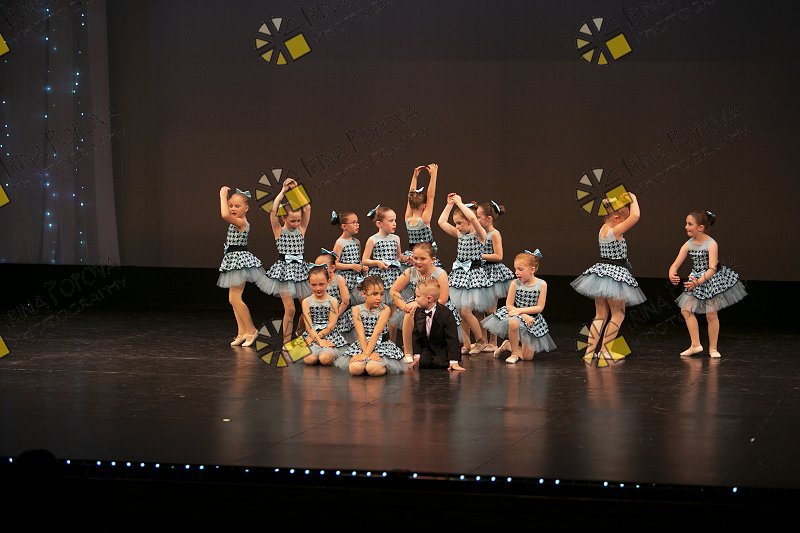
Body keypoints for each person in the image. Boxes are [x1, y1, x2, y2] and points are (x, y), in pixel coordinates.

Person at [571, 193, 645, 361]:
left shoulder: (603, 229)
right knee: (618, 314)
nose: (625, 222)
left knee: (600, 315)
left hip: (601, 273)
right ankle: (605, 351)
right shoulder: (615, 231)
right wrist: (633, 198)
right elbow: (636, 216)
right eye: (624, 218)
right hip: (615, 275)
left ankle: (590, 352)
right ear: (616, 218)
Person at [668, 210, 747, 358]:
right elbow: (675, 263)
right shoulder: (688, 244)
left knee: (711, 314)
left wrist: (698, 282)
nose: (686, 227)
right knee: (686, 310)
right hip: (696, 279)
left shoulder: (711, 244)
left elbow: (712, 268)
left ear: (700, 228)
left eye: (689, 224)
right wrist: (672, 272)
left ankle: (713, 348)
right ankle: (695, 344)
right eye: (686, 223)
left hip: (711, 279)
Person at [438, 193, 495, 354]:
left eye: (459, 223)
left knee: (466, 311)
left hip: (473, 276)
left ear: (469, 222)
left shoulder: (480, 234)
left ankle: (481, 341)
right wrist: (449, 205)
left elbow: (473, 218)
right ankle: (466, 344)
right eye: (455, 223)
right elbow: (441, 222)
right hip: (460, 275)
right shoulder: (460, 234)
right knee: (459, 311)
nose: (456, 226)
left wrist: (460, 203)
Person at [258, 178, 312, 341]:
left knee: (307, 307)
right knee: (290, 309)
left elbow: (307, 207)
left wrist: (295, 190)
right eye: (292, 221)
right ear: (284, 219)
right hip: (284, 272)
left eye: (298, 220)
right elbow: (273, 211)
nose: (296, 223)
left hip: (300, 271)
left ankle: (301, 333)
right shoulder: (279, 231)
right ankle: (286, 342)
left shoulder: (301, 229)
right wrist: (283, 191)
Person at [389, 242, 462, 362]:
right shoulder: (410, 272)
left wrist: (419, 304)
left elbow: (443, 299)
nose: (418, 262)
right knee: (410, 313)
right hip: (417, 303)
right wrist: (404, 306)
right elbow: (394, 290)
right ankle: (408, 352)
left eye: (422, 258)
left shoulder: (440, 274)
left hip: (437, 307)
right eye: (415, 258)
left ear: (432, 260)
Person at [483, 250, 556, 363]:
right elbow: (509, 305)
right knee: (513, 322)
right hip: (516, 315)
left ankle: (507, 345)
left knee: (527, 357)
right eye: (515, 269)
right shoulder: (515, 283)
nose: (516, 272)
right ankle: (514, 354)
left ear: (532, 270)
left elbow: (539, 307)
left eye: (520, 269)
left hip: (532, 319)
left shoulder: (542, 284)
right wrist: (522, 315)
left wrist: (521, 312)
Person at [217, 186, 267, 347]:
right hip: (233, 260)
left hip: (239, 261)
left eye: (237, 206)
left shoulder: (241, 222)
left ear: (246, 208)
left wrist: (222, 196)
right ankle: (242, 332)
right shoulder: (236, 221)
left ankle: (251, 330)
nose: (232, 209)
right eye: (231, 205)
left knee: (235, 298)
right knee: (233, 299)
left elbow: (224, 215)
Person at [334, 276, 406, 376]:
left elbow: (376, 333)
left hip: (381, 345)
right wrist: (365, 354)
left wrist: (365, 355)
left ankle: (383, 366)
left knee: (372, 369)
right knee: (354, 369)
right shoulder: (356, 309)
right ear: (364, 294)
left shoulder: (385, 309)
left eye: (381, 294)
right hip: (363, 345)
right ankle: (367, 363)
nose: (379, 298)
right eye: (375, 294)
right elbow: (360, 334)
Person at [362, 205, 409, 341]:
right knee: (379, 310)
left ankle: (391, 342)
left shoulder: (396, 238)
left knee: (393, 312)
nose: (394, 223)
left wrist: (407, 258)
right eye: (390, 220)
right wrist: (377, 262)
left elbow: (398, 257)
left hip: (393, 277)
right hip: (380, 278)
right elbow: (364, 260)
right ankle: (376, 340)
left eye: (395, 220)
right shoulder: (373, 239)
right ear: (379, 223)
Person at [477, 200, 515, 352]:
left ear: (488, 219)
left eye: (479, 217)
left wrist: (480, 256)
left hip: (492, 273)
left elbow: (499, 256)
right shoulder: (478, 233)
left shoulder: (494, 234)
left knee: (491, 310)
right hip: (479, 273)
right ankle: (482, 341)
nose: (476, 219)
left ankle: (493, 342)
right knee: (478, 309)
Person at [409, 278, 465, 371]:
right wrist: (417, 356)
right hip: (428, 347)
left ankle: (446, 360)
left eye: (418, 296)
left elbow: (452, 338)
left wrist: (454, 361)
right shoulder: (418, 312)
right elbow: (416, 335)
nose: (415, 299)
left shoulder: (445, 314)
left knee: (439, 364)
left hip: (442, 347)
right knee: (424, 363)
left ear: (429, 298)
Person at [301, 265, 349, 366]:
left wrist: (318, 339)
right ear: (309, 283)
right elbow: (309, 326)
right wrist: (317, 340)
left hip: (329, 335)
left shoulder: (333, 301)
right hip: (312, 334)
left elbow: (331, 325)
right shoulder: (306, 302)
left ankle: (327, 353)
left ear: (328, 281)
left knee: (325, 359)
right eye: (314, 285)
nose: (318, 288)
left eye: (321, 284)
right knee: (309, 359)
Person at [402, 163, 440, 266]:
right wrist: (433, 175)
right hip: (425, 256)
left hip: (413, 257)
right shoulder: (424, 220)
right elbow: (431, 196)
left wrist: (414, 177)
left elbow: (410, 196)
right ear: (424, 206)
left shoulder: (407, 219)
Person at [331, 210, 368, 304]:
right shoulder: (340, 243)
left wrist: (362, 267)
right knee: (346, 302)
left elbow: (358, 260)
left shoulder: (357, 242)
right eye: (353, 222)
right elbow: (334, 264)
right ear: (344, 226)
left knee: (360, 301)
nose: (357, 225)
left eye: (357, 222)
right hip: (345, 279)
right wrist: (351, 266)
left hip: (356, 278)